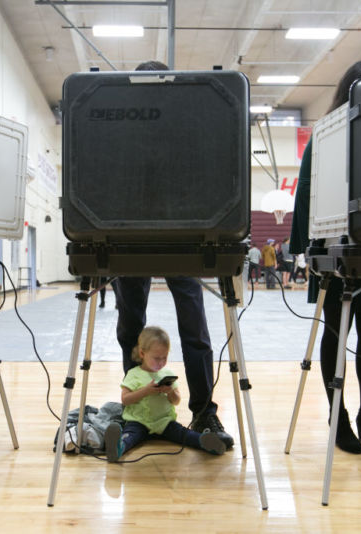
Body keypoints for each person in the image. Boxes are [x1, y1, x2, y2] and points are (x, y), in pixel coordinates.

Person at [111, 60, 234, 450]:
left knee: (194, 328)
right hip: (133, 237)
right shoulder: (123, 131)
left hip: (183, 237)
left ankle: (203, 410)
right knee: (131, 327)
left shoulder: (187, 128)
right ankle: (137, 408)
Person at [289, 58, 361, 455]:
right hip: (334, 251)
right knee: (335, 337)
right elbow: (305, 190)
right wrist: (306, 250)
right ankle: (338, 419)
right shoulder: (327, 134)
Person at [104, 326, 226, 462]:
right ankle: (118, 447)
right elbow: (125, 400)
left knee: (182, 433)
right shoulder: (134, 374)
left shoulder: (167, 374)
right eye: (156, 358)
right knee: (130, 435)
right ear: (142, 354)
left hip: (164, 421)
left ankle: (205, 441)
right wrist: (145, 391)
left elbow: (176, 401)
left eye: (165, 357)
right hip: (138, 421)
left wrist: (170, 392)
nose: (161, 362)